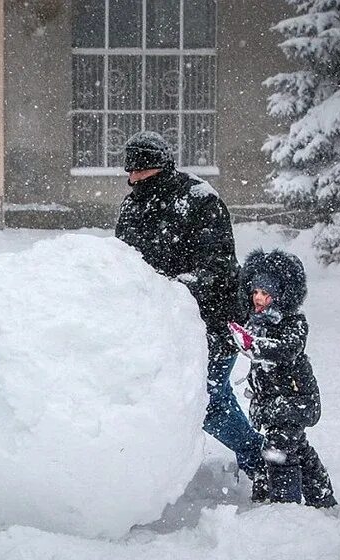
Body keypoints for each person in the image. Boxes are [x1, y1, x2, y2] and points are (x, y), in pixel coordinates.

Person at [114, 131, 266, 488]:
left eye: (141, 170)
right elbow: (124, 260)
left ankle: (262, 462)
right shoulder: (133, 204)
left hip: (212, 318)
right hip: (161, 322)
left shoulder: (199, 199)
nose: (134, 178)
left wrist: (171, 289)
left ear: (161, 165)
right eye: (130, 170)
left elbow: (218, 267)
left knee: (208, 401)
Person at [229, 249, 336, 507]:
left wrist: (256, 346)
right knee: (298, 448)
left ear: (280, 296)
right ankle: (322, 498)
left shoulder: (294, 323)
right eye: (255, 292)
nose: (258, 298)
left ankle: (284, 507)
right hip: (274, 403)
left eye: (265, 294)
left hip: (295, 401)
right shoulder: (256, 323)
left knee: (279, 452)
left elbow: (286, 350)